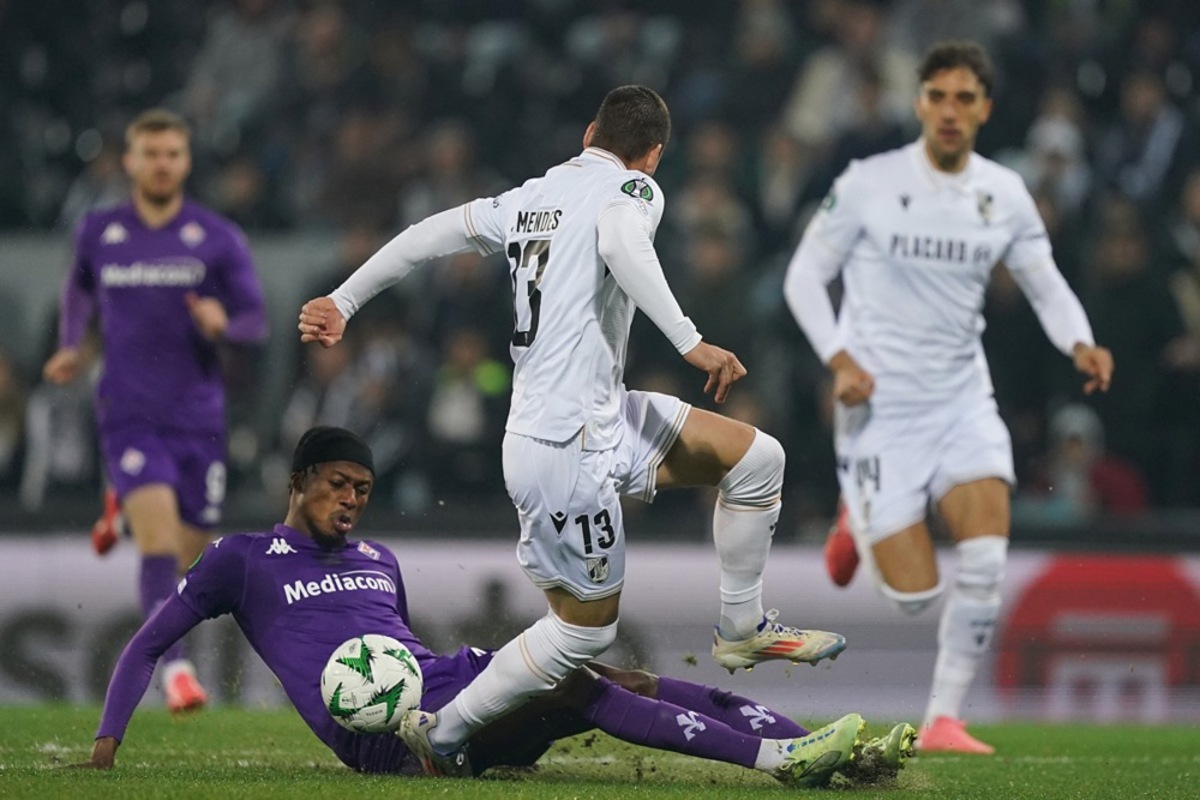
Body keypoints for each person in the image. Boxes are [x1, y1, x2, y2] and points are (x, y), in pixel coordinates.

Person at [298, 85, 846, 769]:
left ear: (589, 134)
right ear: (652, 155)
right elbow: (619, 240)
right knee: (583, 634)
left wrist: (344, 299)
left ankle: (741, 626)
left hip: (603, 412)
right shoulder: (637, 190)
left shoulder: (525, 197)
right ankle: (441, 735)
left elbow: (422, 236)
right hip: (560, 445)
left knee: (758, 459)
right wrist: (690, 341)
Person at [79, 426, 915, 788]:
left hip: (448, 686)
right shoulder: (242, 561)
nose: (352, 502)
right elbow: (149, 644)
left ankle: (809, 745)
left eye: (363, 490)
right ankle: (777, 767)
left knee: (617, 675)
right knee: (574, 687)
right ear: (296, 484)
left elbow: (398, 642)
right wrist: (108, 746)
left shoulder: (378, 558)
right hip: (396, 743)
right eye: (338, 485)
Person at [783, 41, 1114, 755]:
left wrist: (1079, 342)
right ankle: (855, 516)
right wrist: (838, 359)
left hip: (963, 399)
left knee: (989, 559)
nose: (951, 110)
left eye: (966, 98)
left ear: (985, 109)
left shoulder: (1004, 192)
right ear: (919, 103)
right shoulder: (868, 182)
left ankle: (942, 720)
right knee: (914, 598)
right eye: (939, 96)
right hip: (879, 409)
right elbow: (804, 277)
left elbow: (1043, 280)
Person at [42, 108, 268, 713]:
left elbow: (255, 320)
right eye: (152, 153)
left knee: (193, 559)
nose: (162, 163)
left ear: (186, 161)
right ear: (131, 161)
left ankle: (120, 504)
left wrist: (226, 324)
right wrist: (71, 343)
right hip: (127, 410)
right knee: (160, 545)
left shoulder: (217, 237)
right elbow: (79, 287)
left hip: (198, 417)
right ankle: (176, 672)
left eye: (173, 154)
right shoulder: (99, 231)